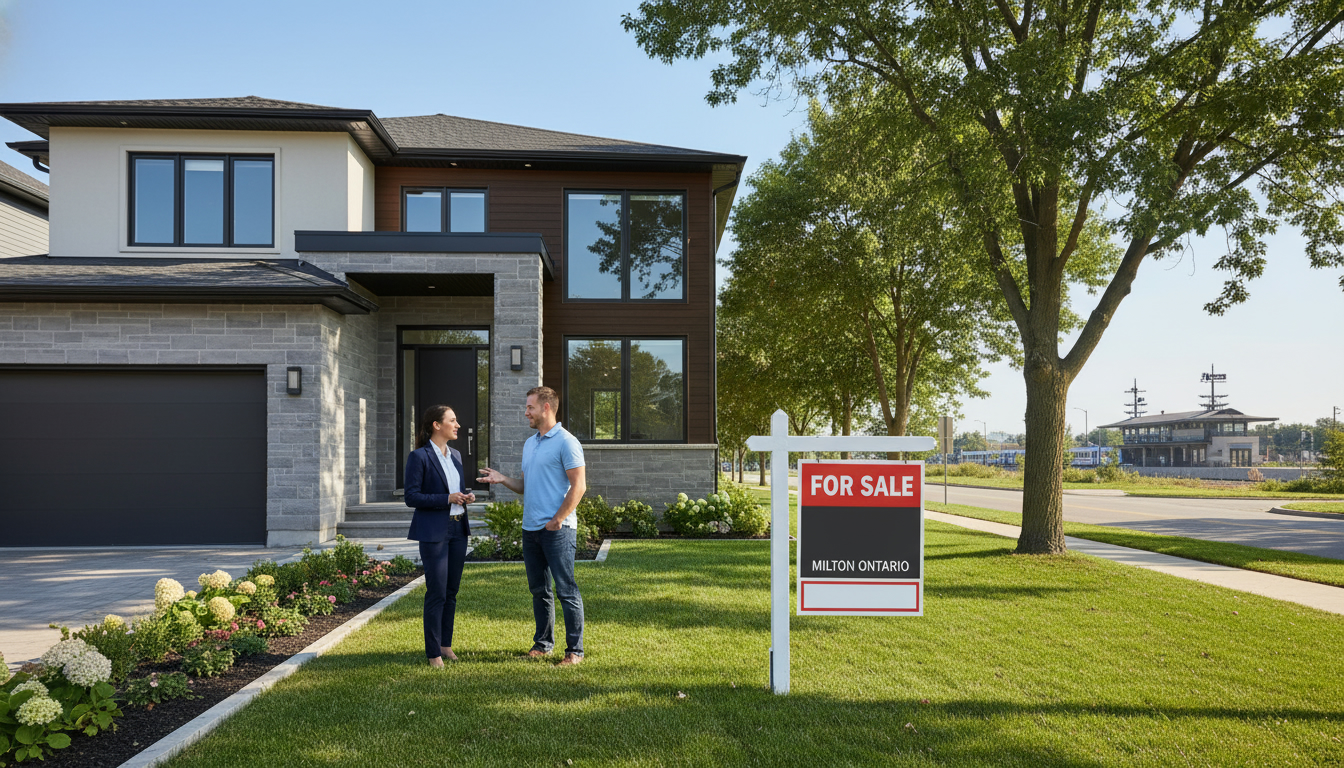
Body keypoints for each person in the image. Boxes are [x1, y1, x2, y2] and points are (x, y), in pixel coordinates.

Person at [478, 386, 586, 666]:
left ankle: (575, 651)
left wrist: (558, 519)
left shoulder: (566, 442)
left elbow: (579, 486)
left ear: (546, 408)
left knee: (566, 589)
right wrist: (502, 479)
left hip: (557, 530)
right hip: (531, 530)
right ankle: (543, 644)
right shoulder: (530, 443)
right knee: (539, 590)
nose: (526, 412)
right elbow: (525, 486)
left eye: (530, 407)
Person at [404, 404, 475, 668]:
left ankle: (446, 645)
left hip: (458, 529)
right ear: (437, 425)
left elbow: (456, 489)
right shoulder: (419, 457)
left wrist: (465, 496)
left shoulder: (455, 455)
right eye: (453, 421)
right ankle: (433, 653)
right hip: (434, 531)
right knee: (437, 592)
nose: (458, 425)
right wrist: (447, 498)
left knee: (452, 591)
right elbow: (411, 497)